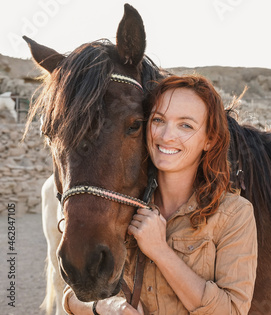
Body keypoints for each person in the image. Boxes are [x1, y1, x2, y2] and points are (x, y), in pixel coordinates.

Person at [63, 74, 258, 314]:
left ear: (209, 139)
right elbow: (74, 295)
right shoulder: (123, 203)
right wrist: (109, 306)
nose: (166, 136)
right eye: (158, 120)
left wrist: (160, 251)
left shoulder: (234, 214)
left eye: (185, 125)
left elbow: (232, 311)